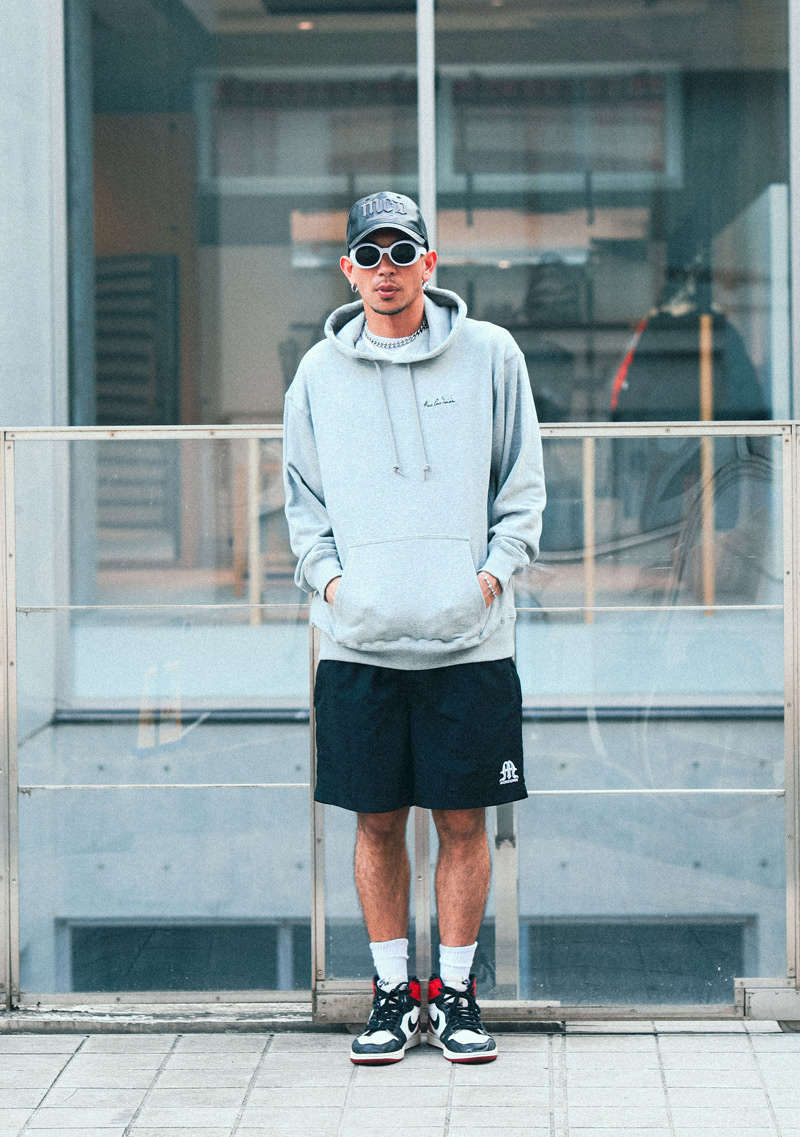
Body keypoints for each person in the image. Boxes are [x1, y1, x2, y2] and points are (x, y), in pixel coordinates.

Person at [283, 190, 546, 1065]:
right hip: (358, 641)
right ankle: (394, 995)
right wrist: (335, 588)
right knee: (376, 824)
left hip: (469, 640)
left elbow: (523, 488)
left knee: (465, 823)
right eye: (371, 254)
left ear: (430, 263)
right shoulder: (317, 374)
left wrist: (487, 580)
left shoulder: (492, 355)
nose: (387, 269)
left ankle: (457, 994)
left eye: (403, 252)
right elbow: (302, 505)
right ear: (348, 269)